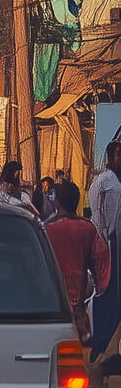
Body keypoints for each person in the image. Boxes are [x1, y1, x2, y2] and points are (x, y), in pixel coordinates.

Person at [47, 179, 112, 343]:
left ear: (57, 201)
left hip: (49, 306)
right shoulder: (88, 229)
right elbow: (101, 266)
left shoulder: (46, 228)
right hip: (78, 309)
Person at [88, 138, 121, 362]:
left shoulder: (106, 180)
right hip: (110, 244)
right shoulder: (110, 183)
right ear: (110, 157)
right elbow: (106, 220)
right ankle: (102, 341)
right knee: (108, 294)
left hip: (109, 243)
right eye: (119, 154)